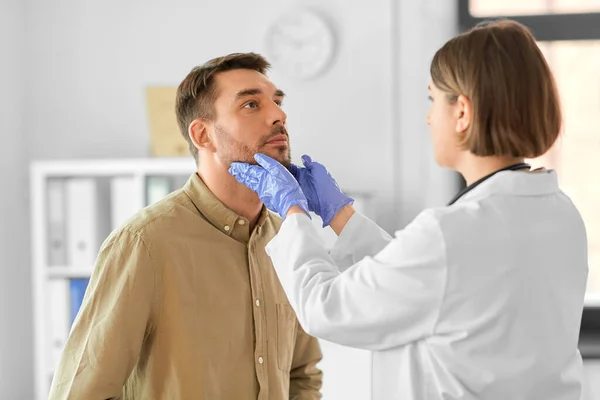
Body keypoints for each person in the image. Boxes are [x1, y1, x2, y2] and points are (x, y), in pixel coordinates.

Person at [229, 20, 589, 400]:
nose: (429, 118)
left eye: (433, 100)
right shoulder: (560, 214)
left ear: (462, 112)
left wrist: (293, 212)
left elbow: (327, 307)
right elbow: (429, 283)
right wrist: (339, 215)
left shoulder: (452, 234)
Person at [49, 53, 323, 400]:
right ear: (203, 135)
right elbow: (80, 393)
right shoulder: (145, 244)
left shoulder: (288, 240)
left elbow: (303, 376)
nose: (278, 115)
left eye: (278, 101)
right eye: (252, 104)